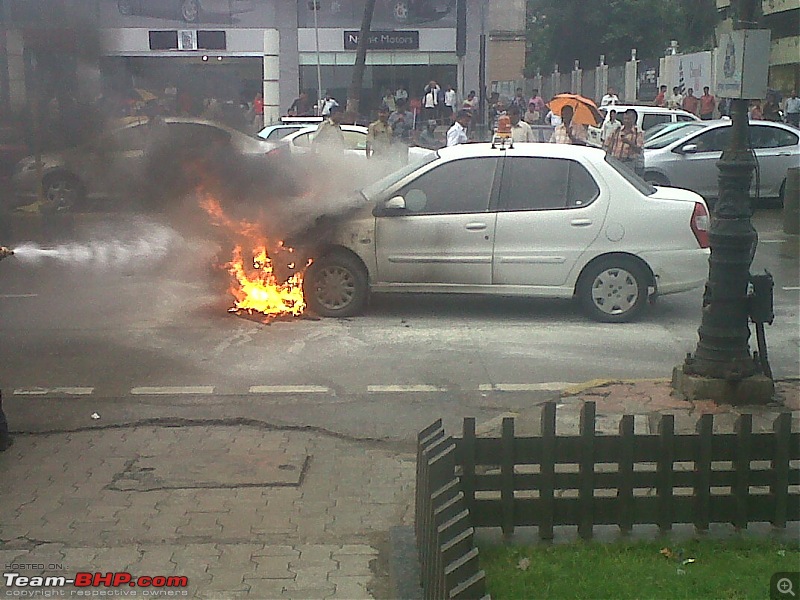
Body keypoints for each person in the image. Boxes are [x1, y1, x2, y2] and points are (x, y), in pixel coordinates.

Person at [606, 108, 644, 176]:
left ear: (634, 119)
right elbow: (608, 145)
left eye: (628, 119)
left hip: (628, 163)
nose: (626, 121)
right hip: (615, 161)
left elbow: (639, 150)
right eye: (625, 119)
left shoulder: (638, 132)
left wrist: (629, 142)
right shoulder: (617, 130)